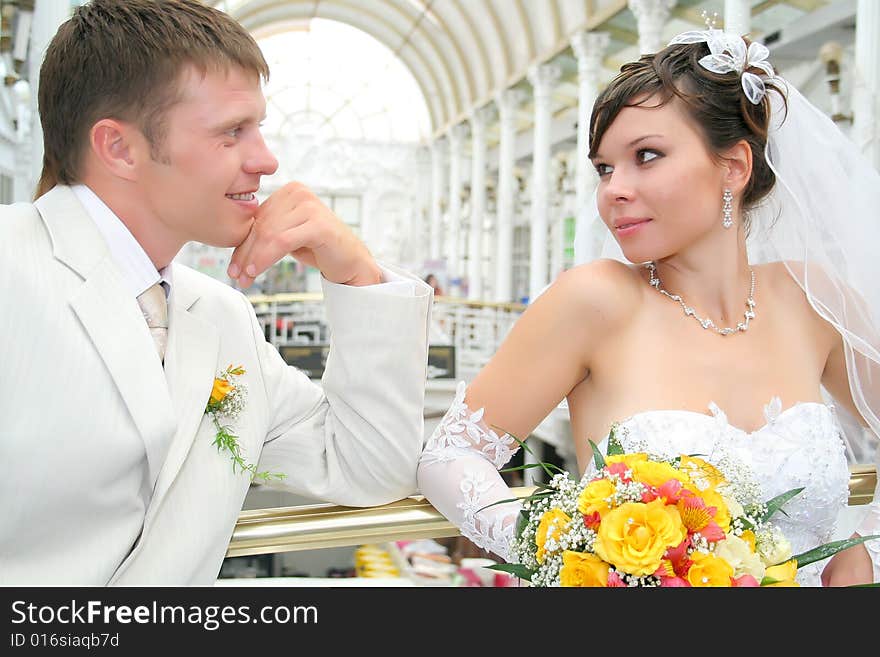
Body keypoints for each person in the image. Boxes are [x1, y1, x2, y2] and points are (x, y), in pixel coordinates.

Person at [417, 28, 880, 586]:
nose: (614, 189)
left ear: (733, 167)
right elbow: (449, 455)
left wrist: (866, 553)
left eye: (646, 156)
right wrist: (560, 543)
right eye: (605, 168)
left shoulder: (814, 300)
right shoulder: (592, 301)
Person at [0, 0, 432, 585]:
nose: (267, 159)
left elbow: (367, 467)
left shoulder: (221, 315)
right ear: (120, 148)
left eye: (258, 127)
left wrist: (355, 276)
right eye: (232, 132)